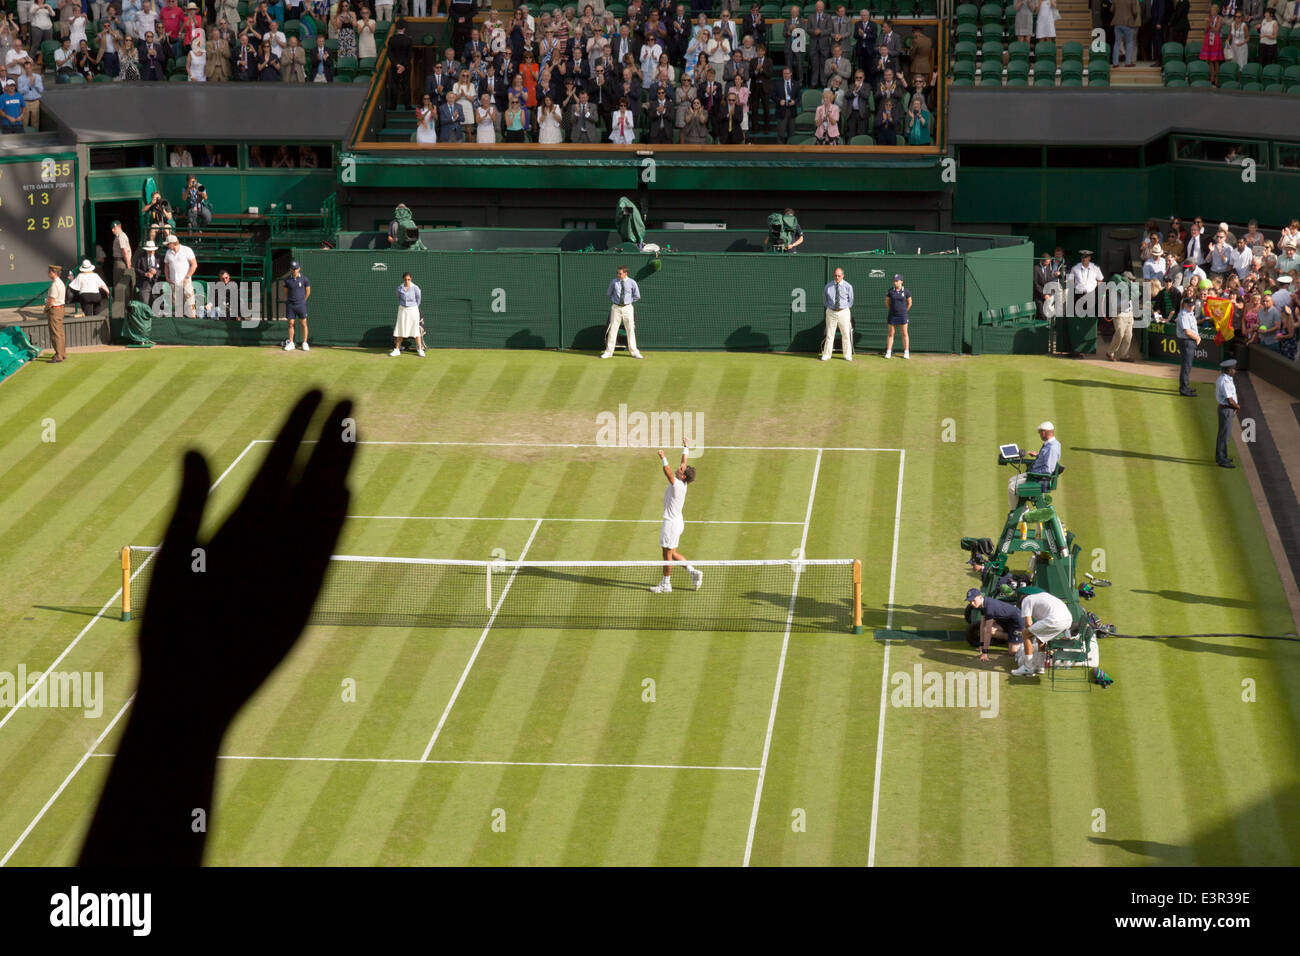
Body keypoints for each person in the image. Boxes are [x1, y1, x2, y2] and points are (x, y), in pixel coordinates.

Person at [649, 444, 701, 593]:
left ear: (683, 475)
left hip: (671, 525)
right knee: (674, 553)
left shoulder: (677, 485)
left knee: (667, 556)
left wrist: (663, 457)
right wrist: (686, 446)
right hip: (678, 522)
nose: (679, 467)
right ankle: (693, 571)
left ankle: (666, 584)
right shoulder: (683, 483)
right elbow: (684, 461)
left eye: (681, 469)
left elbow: (668, 473)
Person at [1018, 589, 1073, 676]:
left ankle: (1027, 668)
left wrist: (1028, 637)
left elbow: (1028, 623)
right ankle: (1040, 667)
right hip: (1068, 620)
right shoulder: (1043, 596)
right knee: (1040, 638)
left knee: (1025, 633)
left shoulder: (1026, 600)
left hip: (1055, 619)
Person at [1007, 421, 1061, 509]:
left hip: (1038, 479)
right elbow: (1048, 458)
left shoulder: (1052, 448)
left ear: (1044, 433)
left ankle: (1019, 511)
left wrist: (1031, 474)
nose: (1040, 435)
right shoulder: (1054, 444)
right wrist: (1038, 455)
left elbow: (1048, 470)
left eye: (1040, 433)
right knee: (1011, 480)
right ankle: (1021, 507)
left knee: (1011, 487)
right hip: (1036, 476)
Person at [966, 588, 1025, 663]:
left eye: (973, 600)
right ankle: (1011, 638)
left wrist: (985, 653)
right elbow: (982, 625)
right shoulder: (982, 605)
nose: (972, 603)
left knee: (1012, 652)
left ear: (980, 597)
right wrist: (981, 644)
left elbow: (988, 631)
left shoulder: (989, 607)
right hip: (1006, 622)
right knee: (984, 629)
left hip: (1017, 622)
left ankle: (1024, 638)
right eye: (970, 601)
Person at [1064, 249, 1103, 356]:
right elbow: (1070, 282)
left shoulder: (1095, 268)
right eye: (1082, 257)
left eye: (1086, 257)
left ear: (1089, 258)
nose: (1084, 259)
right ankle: (1077, 348)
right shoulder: (1075, 268)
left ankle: (1087, 349)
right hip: (1078, 296)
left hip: (1090, 296)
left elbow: (1100, 280)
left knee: (1089, 321)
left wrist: (1097, 290)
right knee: (1078, 322)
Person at [820, 266, 853, 361]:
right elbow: (825, 300)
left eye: (839, 276)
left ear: (843, 276)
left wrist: (844, 308)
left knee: (846, 334)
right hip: (831, 312)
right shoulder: (828, 286)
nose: (837, 277)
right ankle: (826, 354)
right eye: (835, 275)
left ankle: (847, 355)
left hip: (844, 312)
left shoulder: (848, 286)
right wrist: (831, 308)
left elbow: (851, 300)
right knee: (830, 334)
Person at [390, 271, 425, 357]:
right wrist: (404, 306)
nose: (407, 281)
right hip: (402, 310)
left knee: (415, 330)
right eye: (405, 279)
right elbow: (398, 298)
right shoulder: (399, 288)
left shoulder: (415, 288)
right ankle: (397, 349)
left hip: (413, 310)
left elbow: (418, 299)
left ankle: (420, 349)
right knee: (400, 329)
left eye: (408, 279)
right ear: (403, 279)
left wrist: (412, 306)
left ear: (411, 279)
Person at [163, 233, 197, 319]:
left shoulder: (187, 250)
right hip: (174, 283)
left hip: (186, 282)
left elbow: (194, 265)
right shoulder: (168, 252)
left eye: (168, 244)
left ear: (173, 243)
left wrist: (187, 277)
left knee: (190, 304)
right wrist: (167, 278)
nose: (167, 245)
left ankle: (193, 321)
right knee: (178, 307)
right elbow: (166, 266)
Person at [1215, 358, 1239, 468]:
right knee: (1224, 435)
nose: (1235, 371)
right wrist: (1238, 407)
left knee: (1224, 435)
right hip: (1226, 410)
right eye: (1234, 369)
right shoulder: (1225, 381)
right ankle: (1222, 459)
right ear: (1229, 370)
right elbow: (1230, 400)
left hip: (1226, 409)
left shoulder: (1225, 378)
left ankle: (1222, 456)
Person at [1174, 296, 1200, 396]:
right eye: (1189, 305)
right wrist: (1197, 338)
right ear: (1184, 305)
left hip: (1189, 341)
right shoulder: (1184, 315)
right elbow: (1188, 332)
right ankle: (1184, 389)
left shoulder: (1190, 314)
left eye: (1192, 305)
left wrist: (1197, 337)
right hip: (1186, 341)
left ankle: (1185, 387)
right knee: (1186, 366)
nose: (1192, 307)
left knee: (1187, 366)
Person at [283, 260, 310, 351]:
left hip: (301, 305)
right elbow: (286, 293)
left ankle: (305, 343)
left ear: (299, 269)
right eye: (292, 269)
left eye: (296, 269)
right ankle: (291, 343)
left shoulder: (304, 279)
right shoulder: (287, 280)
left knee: (303, 323)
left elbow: (308, 291)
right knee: (291, 324)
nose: (294, 270)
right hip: (291, 305)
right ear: (290, 269)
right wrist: (291, 301)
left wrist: (302, 301)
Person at [884, 272, 910, 359]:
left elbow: (910, 303)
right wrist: (891, 310)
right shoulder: (890, 291)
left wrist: (904, 311)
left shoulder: (906, 291)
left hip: (903, 316)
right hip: (892, 316)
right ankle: (888, 352)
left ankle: (906, 352)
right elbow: (887, 302)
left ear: (901, 281)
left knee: (904, 334)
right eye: (894, 281)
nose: (895, 282)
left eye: (897, 281)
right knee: (891, 334)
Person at [45, 264, 66, 362]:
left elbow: (51, 300)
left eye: (50, 271)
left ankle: (58, 355)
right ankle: (62, 353)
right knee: (60, 333)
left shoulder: (55, 284)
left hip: (55, 310)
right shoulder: (60, 282)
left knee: (55, 333)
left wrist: (46, 308)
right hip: (60, 309)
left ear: (54, 273)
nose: (48, 273)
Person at [110, 220, 133, 303]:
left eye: (114, 228)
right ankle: (123, 304)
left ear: (119, 226)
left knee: (120, 284)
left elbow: (124, 251)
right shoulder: (119, 236)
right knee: (120, 283)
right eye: (112, 228)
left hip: (120, 262)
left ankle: (123, 304)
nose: (112, 230)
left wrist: (128, 263)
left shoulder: (121, 236)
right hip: (121, 261)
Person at [133, 238, 162, 303]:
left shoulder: (159, 257)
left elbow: (162, 269)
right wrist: (145, 274)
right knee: (145, 302)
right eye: (149, 250)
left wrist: (156, 272)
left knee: (156, 303)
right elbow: (136, 269)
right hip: (144, 284)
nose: (151, 252)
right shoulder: (140, 257)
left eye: (152, 250)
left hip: (156, 283)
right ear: (146, 250)